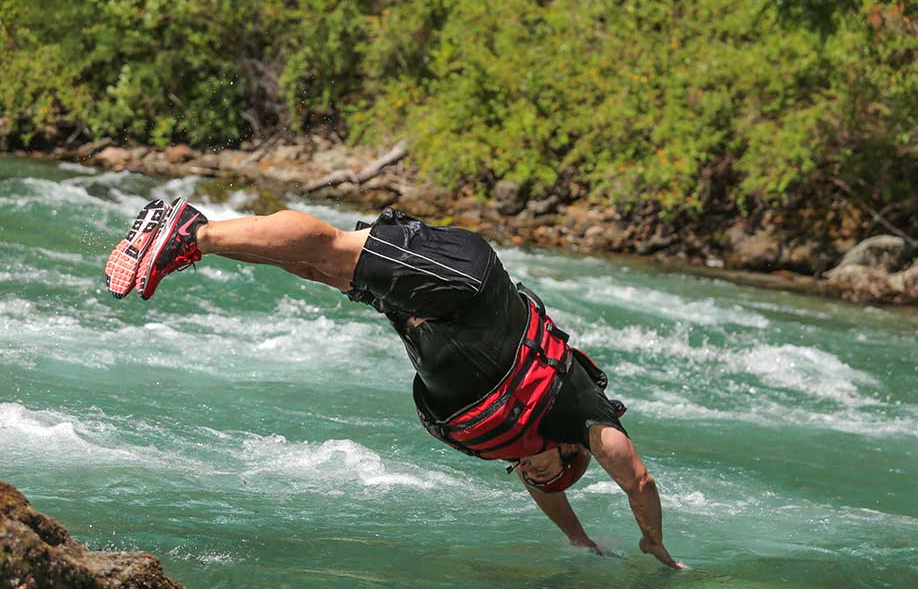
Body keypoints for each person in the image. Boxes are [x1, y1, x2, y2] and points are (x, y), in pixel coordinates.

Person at [105, 197, 682, 568]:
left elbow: (547, 490)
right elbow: (638, 481)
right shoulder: (580, 413)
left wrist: (578, 541)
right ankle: (190, 231)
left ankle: (197, 235)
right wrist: (653, 542)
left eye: (527, 473)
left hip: (437, 321)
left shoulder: (525, 447)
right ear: (570, 451)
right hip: (469, 285)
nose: (530, 475)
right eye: (547, 471)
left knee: (314, 266)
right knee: (332, 250)